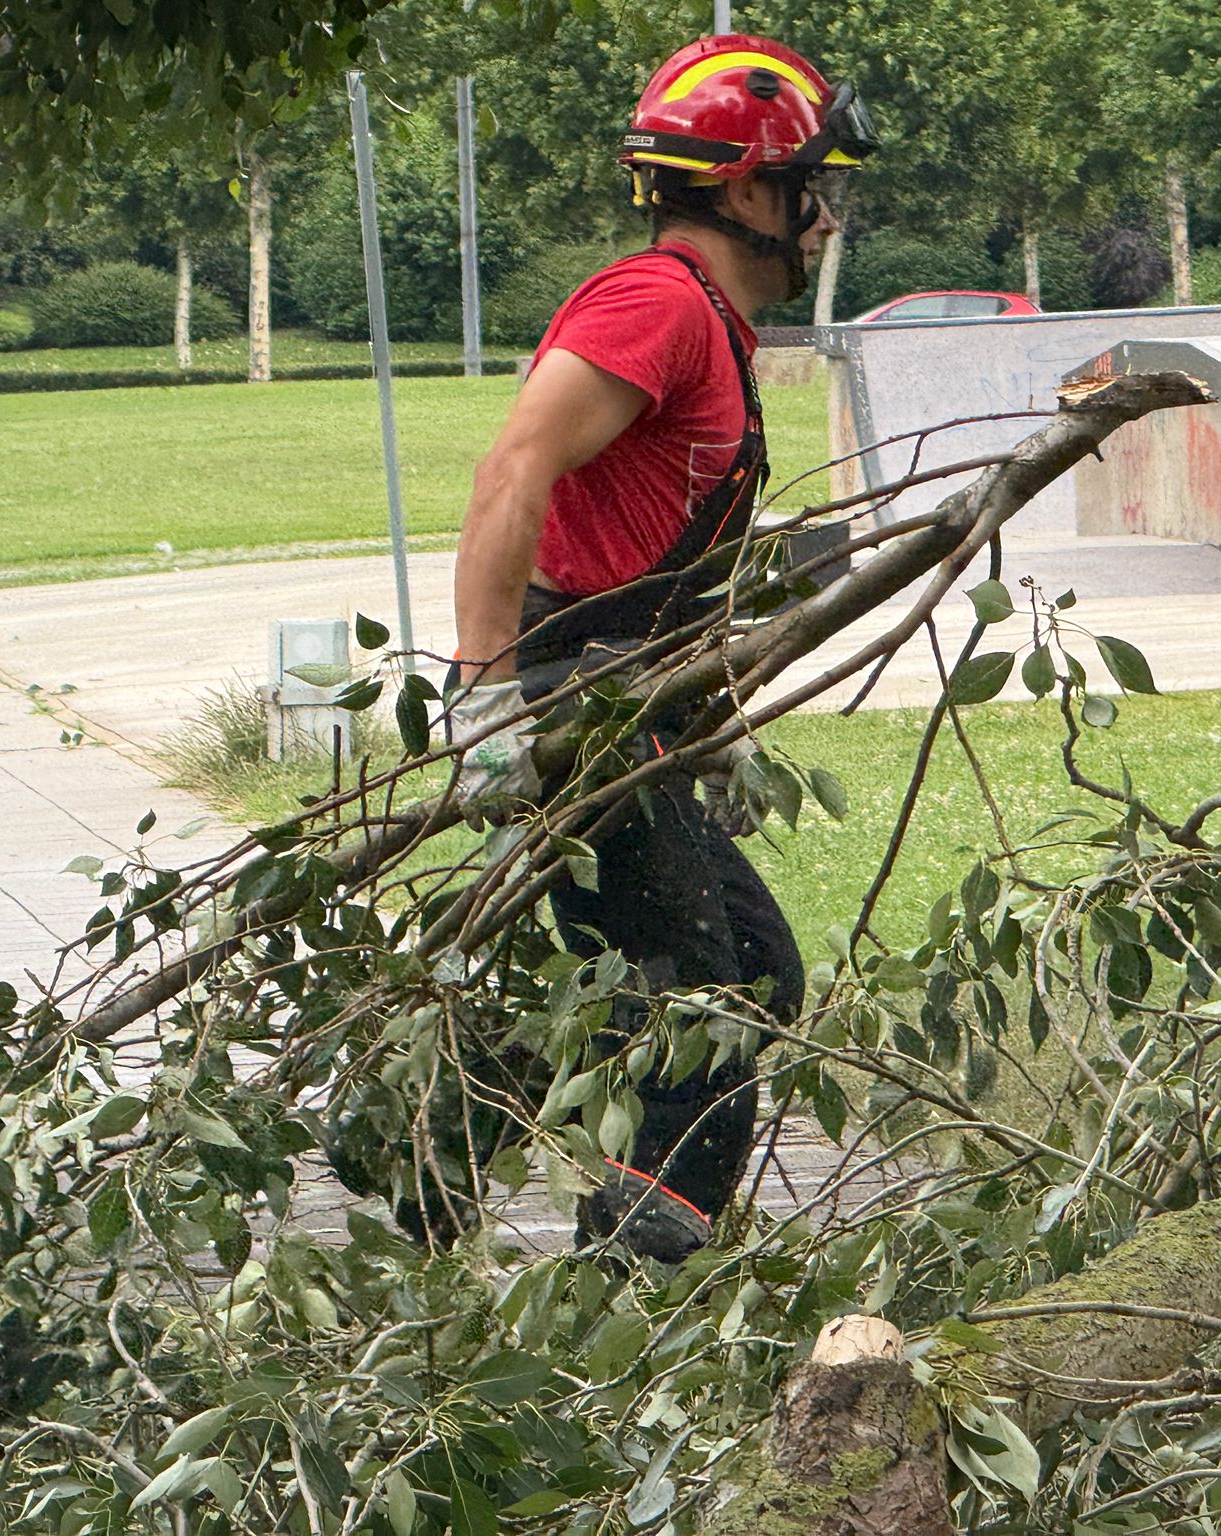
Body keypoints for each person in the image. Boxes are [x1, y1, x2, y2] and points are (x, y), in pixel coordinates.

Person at [444, 34, 878, 1263]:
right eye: (810, 191)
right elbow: (511, 468)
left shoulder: (708, 327)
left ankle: (464, 1138)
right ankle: (633, 1275)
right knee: (711, 991)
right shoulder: (654, 305)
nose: (825, 220)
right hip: (575, 694)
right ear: (745, 190)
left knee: (748, 975)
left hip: (634, 701)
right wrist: (483, 703)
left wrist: (711, 719)